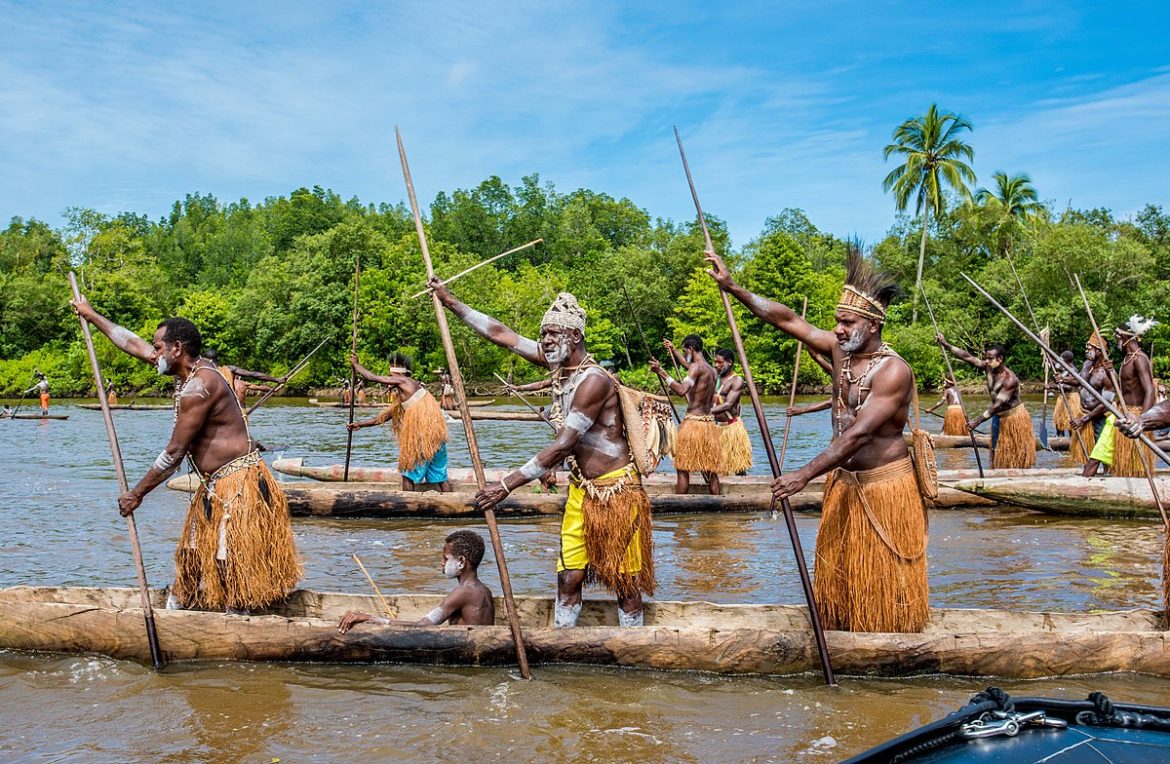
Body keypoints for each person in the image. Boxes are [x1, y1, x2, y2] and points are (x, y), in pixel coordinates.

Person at [708, 246, 929, 633]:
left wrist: (801, 475)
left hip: (884, 487)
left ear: (872, 325)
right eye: (836, 322)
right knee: (841, 577)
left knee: (884, 584)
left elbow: (859, 433)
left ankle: (889, 638)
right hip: (844, 483)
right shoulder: (838, 350)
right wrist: (734, 288)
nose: (838, 329)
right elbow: (788, 319)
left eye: (847, 322)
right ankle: (845, 630)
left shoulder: (893, 372)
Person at [431, 282, 654, 628]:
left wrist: (505, 485)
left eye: (553, 334)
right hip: (583, 491)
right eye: (543, 335)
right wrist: (451, 302)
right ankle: (561, 641)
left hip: (616, 492)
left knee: (624, 582)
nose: (546, 341)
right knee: (568, 577)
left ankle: (633, 642)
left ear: (574, 338)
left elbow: (563, 445)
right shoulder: (559, 366)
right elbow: (501, 334)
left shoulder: (593, 381)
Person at [71, 297, 301, 613]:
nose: (154, 354)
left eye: (159, 347)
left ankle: (237, 619)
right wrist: (91, 314)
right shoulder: (187, 372)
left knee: (227, 559)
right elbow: (133, 345)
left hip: (237, 482)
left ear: (176, 349)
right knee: (191, 552)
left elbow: (174, 454)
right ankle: (180, 607)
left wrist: (136, 494)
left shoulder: (199, 387)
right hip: (215, 484)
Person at [337, 530, 495, 632]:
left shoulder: (463, 592)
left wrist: (370, 618)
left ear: (461, 562)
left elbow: (421, 627)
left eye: (445, 559)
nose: (441, 563)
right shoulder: (484, 590)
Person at [349, 353, 450, 492]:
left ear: (397, 375)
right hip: (437, 440)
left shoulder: (405, 381)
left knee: (407, 474)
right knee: (440, 478)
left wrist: (356, 364)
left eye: (391, 376)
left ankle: (407, 505)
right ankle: (453, 502)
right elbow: (383, 417)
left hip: (422, 439)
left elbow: (372, 377)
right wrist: (360, 424)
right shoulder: (408, 393)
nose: (389, 379)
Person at [936, 338, 1036, 469]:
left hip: (1013, 417)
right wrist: (946, 344)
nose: (986, 361)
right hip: (998, 416)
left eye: (990, 358)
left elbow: (997, 405)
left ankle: (1020, 471)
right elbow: (967, 357)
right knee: (995, 448)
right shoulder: (988, 368)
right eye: (986, 358)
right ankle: (996, 469)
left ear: (1000, 359)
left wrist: (976, 422)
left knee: (1016, 449)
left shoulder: (1010, 380)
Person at [651, 336, 721, 495]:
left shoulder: (696, 368)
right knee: (711, 470)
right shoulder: (711, 370)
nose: (685, 354)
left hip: (693, 424)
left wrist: (662, 372)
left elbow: (682, 391)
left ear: (691, 349)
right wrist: (673, 350)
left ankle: (681, 514)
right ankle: (717, 510)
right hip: (709, 425)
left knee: (682, 468)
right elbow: (687, 364)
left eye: (685, 351)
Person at [1096, 316, 1158, 478]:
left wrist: (1142, 419)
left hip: (1136, 415)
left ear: (1124, 338)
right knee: (1120, 460)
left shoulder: (1140, 359)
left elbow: (1150, 390)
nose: (1116, 341)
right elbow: (1125, 387)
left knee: (1136, 463)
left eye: (1117, 338)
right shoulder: (1127, 359)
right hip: (1123, 413)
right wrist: (1111, 372)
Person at [1069, 333, 1111, 469]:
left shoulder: (1107, 374)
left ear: (1099, 351)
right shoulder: (1087, 364)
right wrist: (1062, 380)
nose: (1086, 351)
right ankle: (1090, 474)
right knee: (1086, 450)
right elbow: (1080, 381)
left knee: (1103, 450)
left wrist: (1084, 419)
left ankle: (1107, 474)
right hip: (1085, 413)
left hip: (1100, 418)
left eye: (1090, 348)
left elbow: (1106, 404)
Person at [711, 348, 752, 476]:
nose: (716, 365)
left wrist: (705, 411)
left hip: (731, 428)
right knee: (716, 466)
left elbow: (728, 404)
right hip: (716, 427)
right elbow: (691, 366)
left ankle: (743, 491)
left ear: (729, 362)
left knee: (738, 466)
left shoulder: (737, 380)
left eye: (719, 362)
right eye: (715, 362)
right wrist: (674, 351)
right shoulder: (714, 377)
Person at [202, 349, 284, 407]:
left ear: (207, 361)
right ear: (218, 359)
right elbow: (254, 374)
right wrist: (277, 380)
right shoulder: (229, 369)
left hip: (215, 409)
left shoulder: (203, 373)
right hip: (232, 408)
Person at [1050, 350, 1080, 437]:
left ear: (1066, 360)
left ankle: (1071, 441)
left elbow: (1069, 387)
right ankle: (1060, 440)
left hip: (1071, 398)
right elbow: (1055, 362)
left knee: (1070, 422)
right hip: (1063, 398)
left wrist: (1053, 386)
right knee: (1059, 422)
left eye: (1061, 358)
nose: (1060, 360)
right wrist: (1046, 352)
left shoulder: (1073, 370)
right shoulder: (1065, 369)